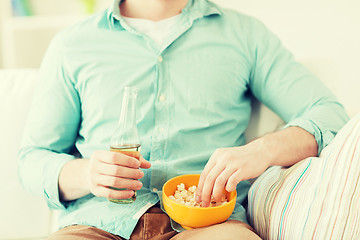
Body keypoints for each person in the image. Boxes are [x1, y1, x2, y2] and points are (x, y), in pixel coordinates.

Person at [18, 0, 350, 239]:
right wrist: (85, 173)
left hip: (211, 228)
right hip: (96, 226)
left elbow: (329, 113)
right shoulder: (72, 45)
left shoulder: (245, 35)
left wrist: (261, 151)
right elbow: (32, 159)